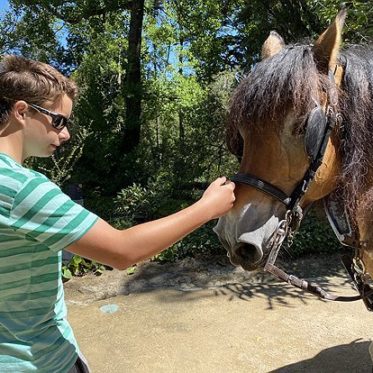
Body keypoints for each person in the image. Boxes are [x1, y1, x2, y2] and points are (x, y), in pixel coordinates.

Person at [0, 55, 235, 373]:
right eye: (59, 120)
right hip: (40, 362)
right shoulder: (20, 188)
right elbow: (123, 252)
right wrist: (207, 208)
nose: (66, 134)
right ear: (22, 111)